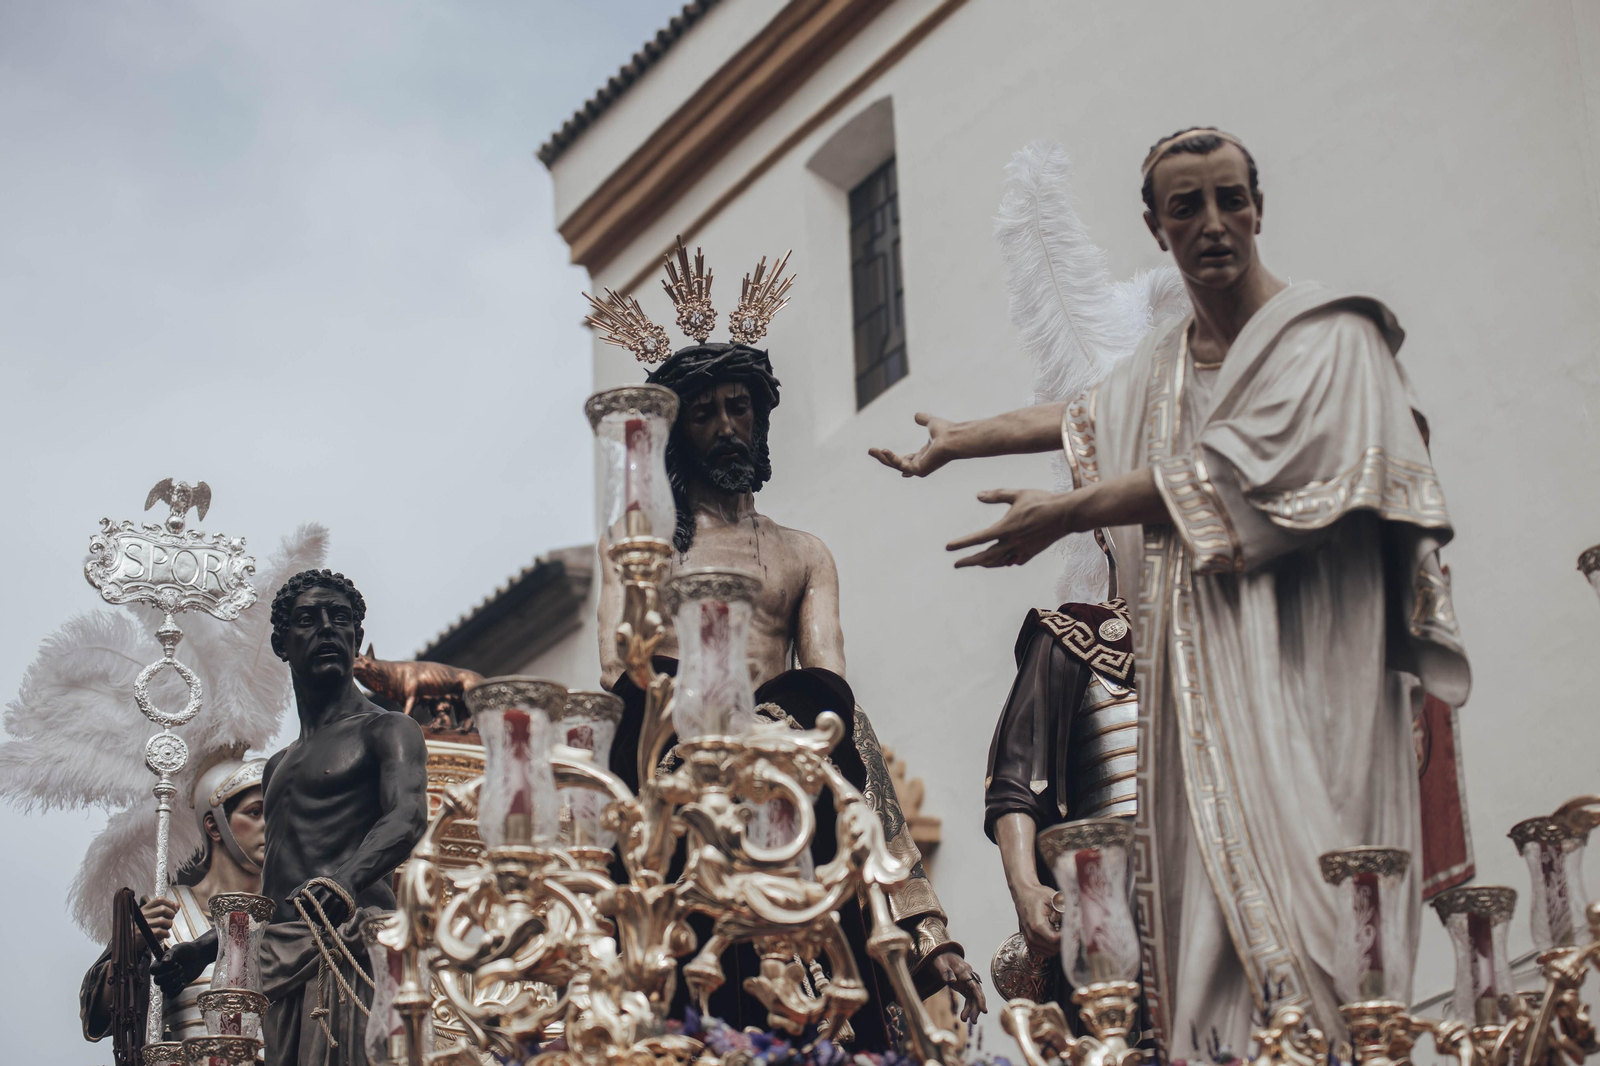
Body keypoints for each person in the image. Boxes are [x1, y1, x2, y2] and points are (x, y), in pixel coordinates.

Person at [871, 128, 1469, 1053]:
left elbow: (1243, 473)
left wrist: (1070, 510)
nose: (1214, 223)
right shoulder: (1154, 379)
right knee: (1211, 952)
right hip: (1196, 689)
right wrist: (961, 437)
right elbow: (1079, 416)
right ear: (1156, 228)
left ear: (1259, 207)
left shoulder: (1332, 339)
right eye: (1186, 206)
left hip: (1314, 688)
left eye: (1230, 198)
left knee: (1318, 931)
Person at [587, 247, 986, 1049]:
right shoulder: (641, 550)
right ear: (676, 435)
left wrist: (922, 919)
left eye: (740, 408)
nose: (727, 426)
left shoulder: (803, 553)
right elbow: (616, 667)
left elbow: (831, 698)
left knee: (829, 712)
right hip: (683, 786)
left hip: (794, 786)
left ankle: (884, 933)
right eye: (705, 414)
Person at [155, 569, 429, 1066]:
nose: (327, 628)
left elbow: (407, 816)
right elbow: (277, 889)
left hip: (354, 949)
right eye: (308, 619)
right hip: (281, 962)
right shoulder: (278, 767)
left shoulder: (388, 729)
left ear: (357, 638)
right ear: (282, 643)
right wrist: (206, 948)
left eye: (340, 619)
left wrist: (343, 884)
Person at [81, 753, 267, 1048]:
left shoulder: (289, 912)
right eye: (255, 813)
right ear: (214, 826)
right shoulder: (163, 911)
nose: (269, 825)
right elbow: (97, 1018)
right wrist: (131, 947)